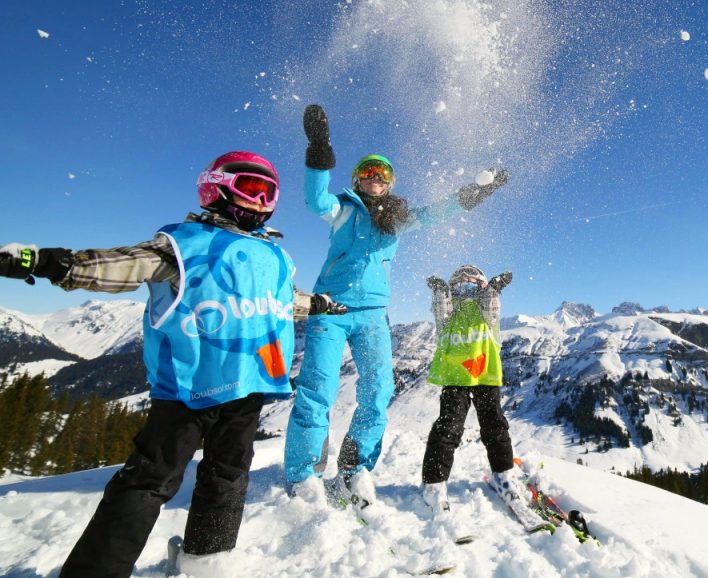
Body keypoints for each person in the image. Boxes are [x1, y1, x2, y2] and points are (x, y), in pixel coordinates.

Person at [0, 151, 344, 578]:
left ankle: (206, 563)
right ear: (216, 187)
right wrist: (56, 262)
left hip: (250, 385)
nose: (258, 202)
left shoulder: (274, 256)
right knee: (150, 481)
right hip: (188, 387)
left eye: (267, 193)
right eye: (249, 189)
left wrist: (321, 306)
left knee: (229, 477)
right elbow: (126, 265)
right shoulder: (183, 245)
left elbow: (282, 300)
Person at [283, 105, 510, 507]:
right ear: (357, 178)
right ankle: (304, 475)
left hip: (373, 314)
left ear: (390, 183)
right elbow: (315, 200)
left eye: (383, 174)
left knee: (377, 391)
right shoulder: (343, 209)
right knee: (317, 389)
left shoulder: (397, 219)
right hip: (330, 309)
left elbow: (437, 213)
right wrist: (319, 149)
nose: (375, 178)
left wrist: (475, 193)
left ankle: (355, 468)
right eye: (368, 172)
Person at [419, 265, 543, 527]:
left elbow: (491, 305)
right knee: (447, 428)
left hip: (484, 376)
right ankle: (434, 484)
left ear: (480, 289)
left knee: (495, 426)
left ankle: (503, 474)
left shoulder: (487, 313)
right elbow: (442, 308)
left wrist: (493, 289)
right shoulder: (447, 316)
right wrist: (440, 291)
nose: (466, 293)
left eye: (472, 287)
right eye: (460, 288)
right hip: (456, 378)